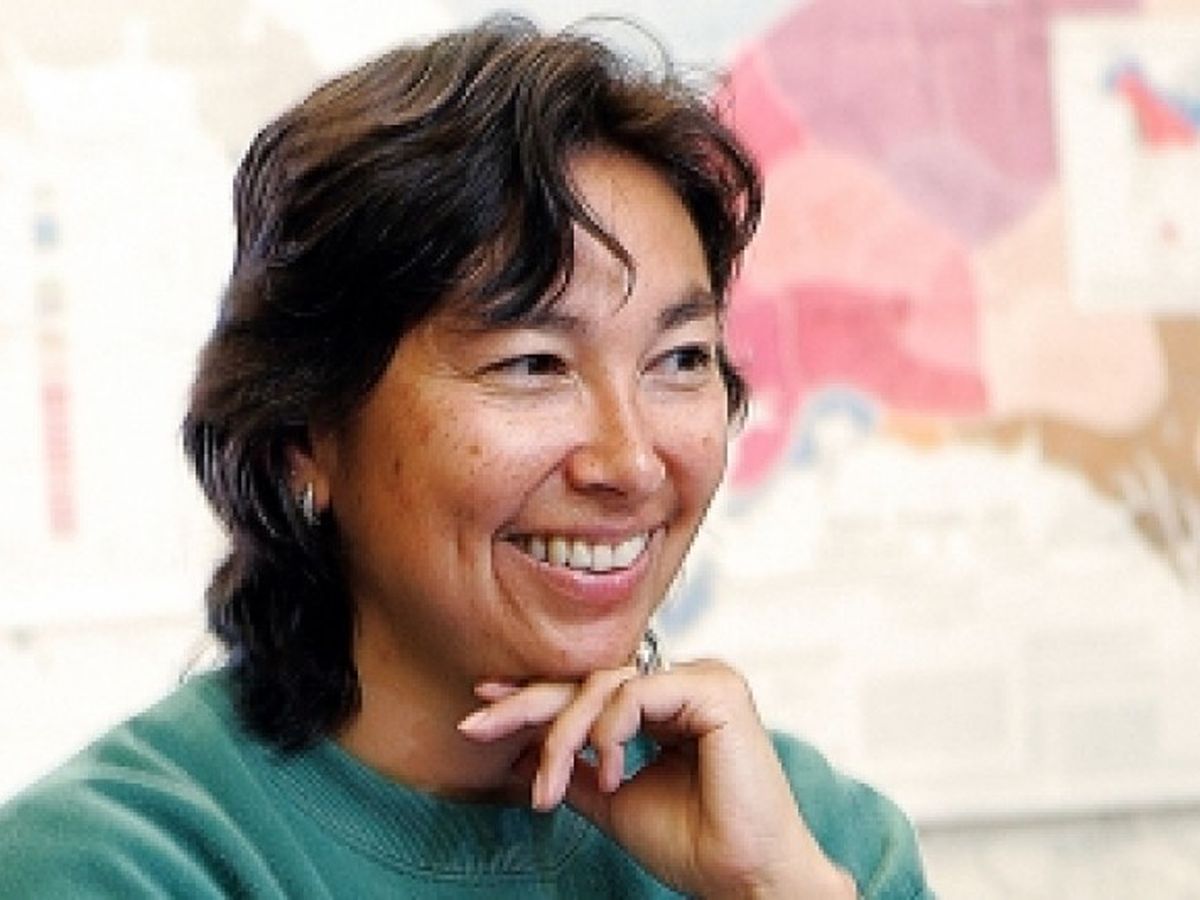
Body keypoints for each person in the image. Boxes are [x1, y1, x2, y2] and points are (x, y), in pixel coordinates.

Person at [0, 15, 932, 899]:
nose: (633, 464)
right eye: (532, 364)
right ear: (303, 438)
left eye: (680, 359)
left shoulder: (813, 839)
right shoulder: (120, 866)